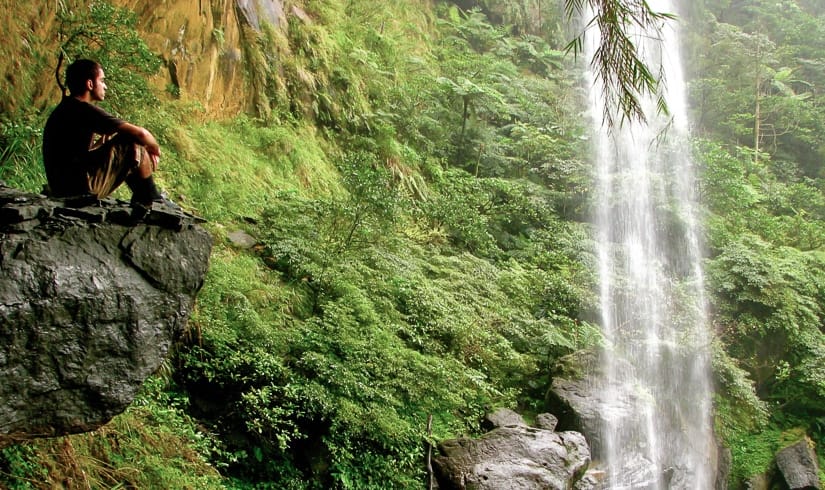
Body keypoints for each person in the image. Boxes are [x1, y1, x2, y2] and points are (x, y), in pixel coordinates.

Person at [42, 58, 176, 209]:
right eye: (102, 81)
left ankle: (145, 197)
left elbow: (72, 157)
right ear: (90, 84)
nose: (105, 86)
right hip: (78, 191)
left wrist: (100, 148)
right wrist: (155, 149)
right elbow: (141, 134)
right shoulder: (83, 110)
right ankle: (152, 197)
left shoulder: (66, 108)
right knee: (132, 143)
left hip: (63, 186)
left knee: (123, 142)